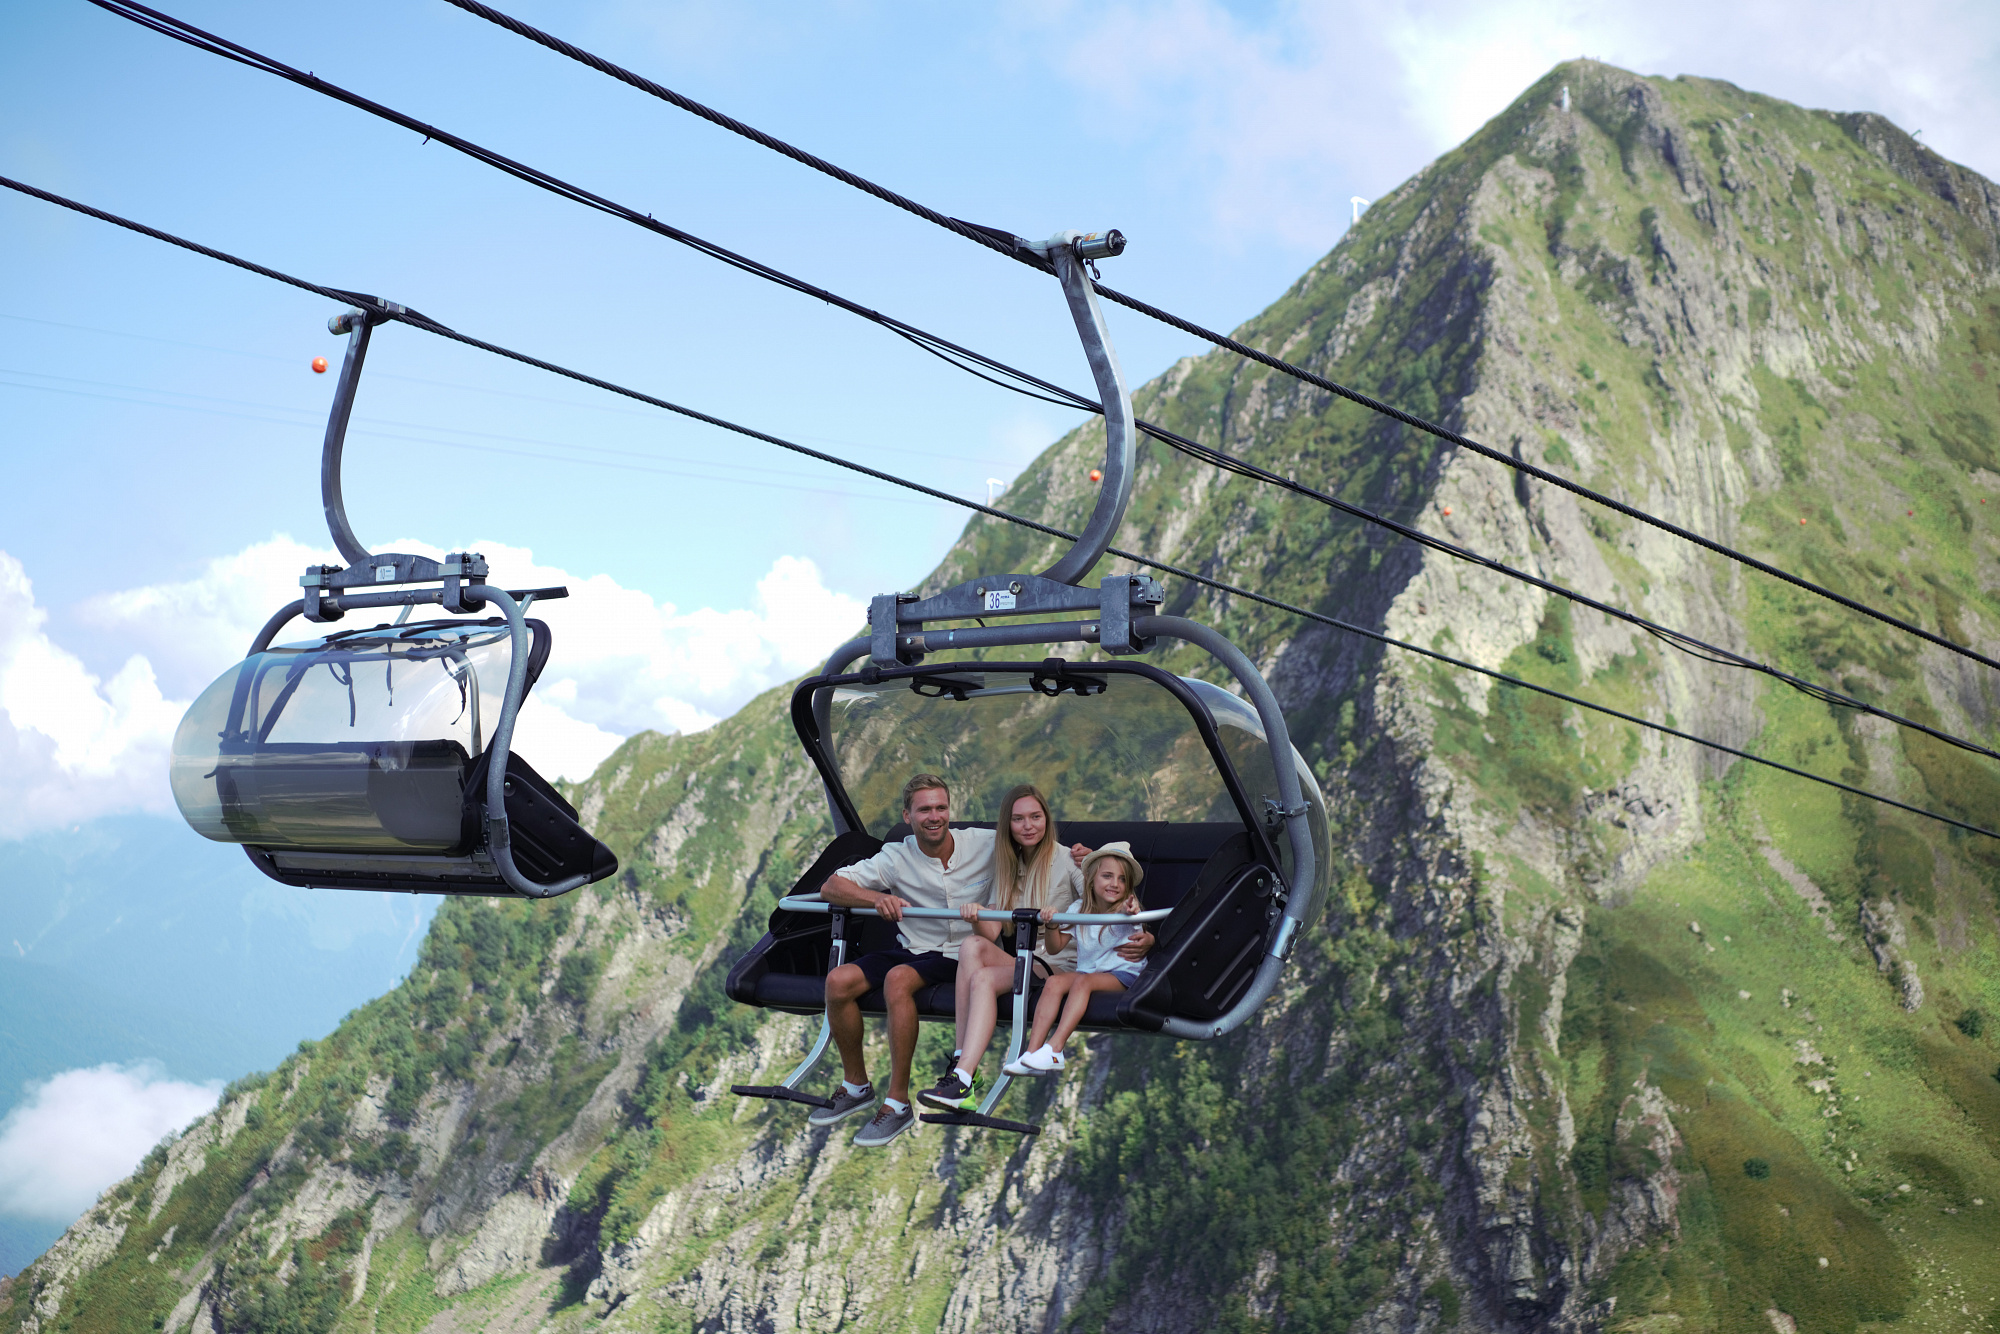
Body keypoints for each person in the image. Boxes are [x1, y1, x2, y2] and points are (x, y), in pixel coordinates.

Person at [808, 773, 995, 1147]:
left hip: (963, 954)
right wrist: (875, 899)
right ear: (907, 816)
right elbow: (832, 886)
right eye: (924, 809)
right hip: (913, 947)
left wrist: (1081, 857)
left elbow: (1036, 845)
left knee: (898, 979)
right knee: (837, 982)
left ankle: (896, 1103)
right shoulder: (897, 855)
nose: (934, 816)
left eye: (941, 808)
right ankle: (856, 1084)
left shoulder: (983, 843)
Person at [917, 784, 1088, 1113]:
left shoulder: (1067, 860)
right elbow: (992, 930)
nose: (1028, 826)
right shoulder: (1008, 867)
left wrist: (1095, 866)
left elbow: (1100, 893)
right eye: (1019, 819)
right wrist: (976, 916)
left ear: (1046, 819)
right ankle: (960, 1065)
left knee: (983, 980)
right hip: (1025, 959)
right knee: (972, 945)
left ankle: (963, 1078)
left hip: (1058, 964)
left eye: (1035, 817)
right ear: (1008, 825)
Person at [1006, 842, 1147, 1077]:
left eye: (1122, 879)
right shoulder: (1079, 909)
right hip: (1090, 973)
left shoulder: (1124, 909)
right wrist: (1051, 925)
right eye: (1107, 876)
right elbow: (1054, 948)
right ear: (1091, 879)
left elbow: (1134, 920)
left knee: (1084, 982)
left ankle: (1055, 1048)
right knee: (1053, 983)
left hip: (1123, 974)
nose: (1114, 884)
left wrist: (1132, 910)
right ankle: (1031, 1054)